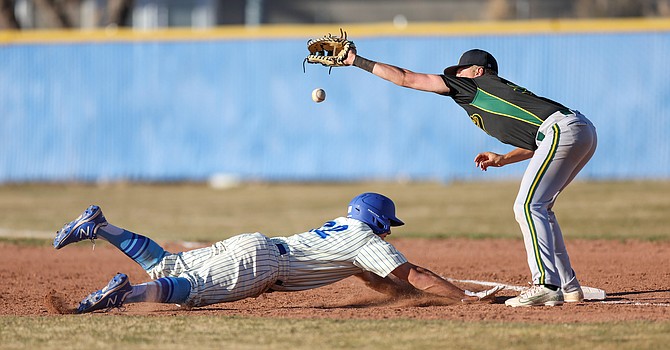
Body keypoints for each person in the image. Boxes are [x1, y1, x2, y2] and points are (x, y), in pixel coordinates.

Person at [343, 48, 597, 307]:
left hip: (561, 130)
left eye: (461, 71)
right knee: (541, 208)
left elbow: (406, 77)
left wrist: (356, 61)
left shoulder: (474, 86)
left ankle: (545, 284)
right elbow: (537, 143)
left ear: (478, 71)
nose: (457, 75)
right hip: (574, 130)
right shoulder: (493, 92)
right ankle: (569, 287)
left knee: (528, 206)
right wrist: (503, 159)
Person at [53, 192, 502, 313]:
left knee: (170, 263)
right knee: (189, 291)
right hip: (264, 265)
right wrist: (460, 298)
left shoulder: (343, 227)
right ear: (381, 221)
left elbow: (372, 279)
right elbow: (414, 272)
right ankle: (125, 295)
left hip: (254, 244)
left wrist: (403, 295)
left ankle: (101, 225)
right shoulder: (366, 241)